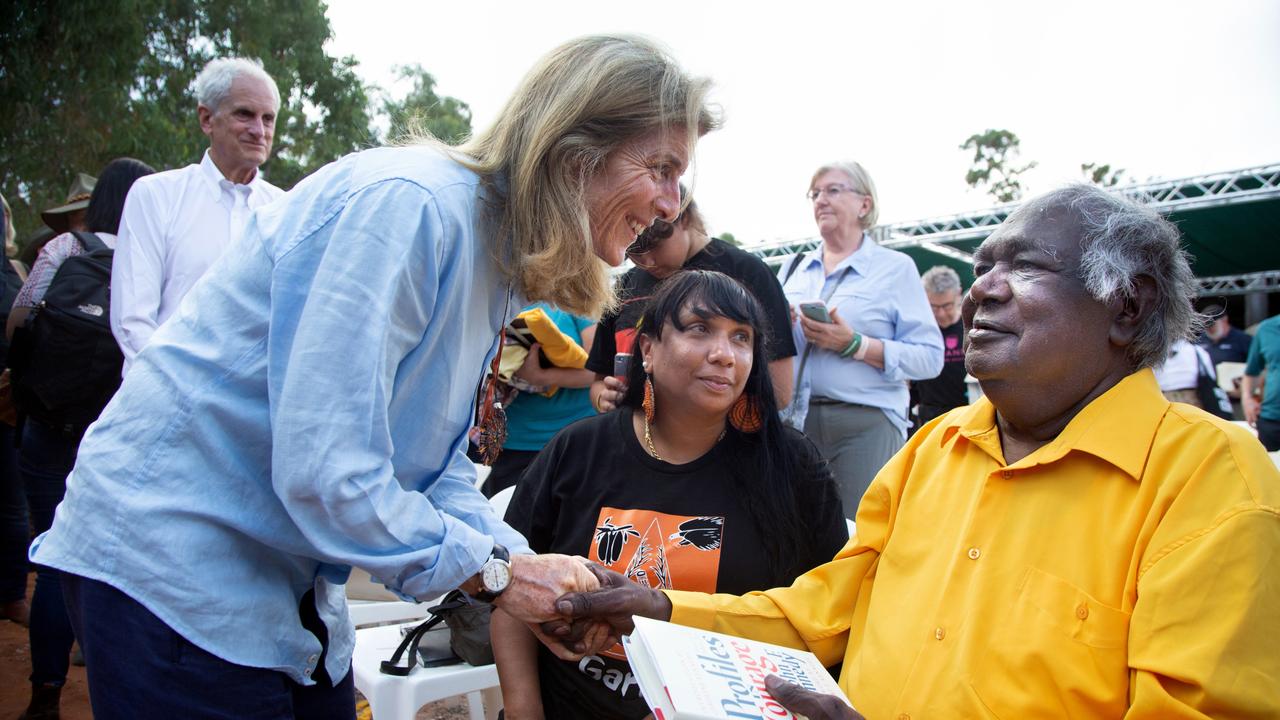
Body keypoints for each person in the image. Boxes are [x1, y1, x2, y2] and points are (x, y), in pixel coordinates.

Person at [30, 34, 718, 718]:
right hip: (176, 574)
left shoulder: (493, 257)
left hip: (285, 595)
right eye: (660, 166)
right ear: (575, 150)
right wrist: (503, 576)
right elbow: (329, 472)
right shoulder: (410, 208)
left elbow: (433, 468)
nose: (670, 202)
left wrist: (532, 568)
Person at [552, 185, 1280, 719]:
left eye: (1022, 269)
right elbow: (822, 612)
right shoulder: (935, 448)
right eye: (983, 268)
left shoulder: (1208, 478)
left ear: (1128, 306)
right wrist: (661, 606)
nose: (979, 291)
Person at [493, 270, 846, 719]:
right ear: (647, 349)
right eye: (699, 329)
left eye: (742, 338)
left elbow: (829, 617)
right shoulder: (578, 448)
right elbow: (513, 590)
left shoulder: (792, 468)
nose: (724, 354)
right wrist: (524, 710)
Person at [7, 157, 155, 720]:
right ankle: (110, 683)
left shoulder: (65, 249)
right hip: (120, 433)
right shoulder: (151, 257)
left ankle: (46, 692)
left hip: (49, 426)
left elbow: (19, 321)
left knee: (54, 557)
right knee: (122, 563)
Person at [781, 161, 942, 517]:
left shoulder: (895, 267)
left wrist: (854, 344)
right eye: (816, 193)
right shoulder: (792, 269)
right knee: (794, 538)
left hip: (864, 424)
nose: (821, 200)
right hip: (795, 423)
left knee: (856, 541)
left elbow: (930, 358)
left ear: (864, 205)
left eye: (833, 190)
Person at [110, 57, 285, 375]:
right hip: (161, 397)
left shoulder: (285, 210)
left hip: (247, 414)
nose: (259, 130)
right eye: (244, 114)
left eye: (268, 118)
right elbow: (132, 321)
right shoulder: (156, 195)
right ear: (207, 119)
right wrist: (179, 391)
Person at [588, 186, 796, 413]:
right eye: (633, 252)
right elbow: (599, 380)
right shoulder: (625, 287)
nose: (646, 260)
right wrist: (603, 398)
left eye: (654, 245)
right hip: (635, 438)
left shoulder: (747, 273)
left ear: (683, 217)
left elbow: (779, 392)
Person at [479, 302, 598, 498]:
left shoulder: (578, 298)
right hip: (513, 442)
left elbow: (599, 370)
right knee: (504, 517)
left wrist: (541, 377)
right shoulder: (505, 297)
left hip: (573, 440)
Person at [911, 265, 968, 429]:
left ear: (958, 294)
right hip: (930, 416)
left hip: (968, 411)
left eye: (947, 306)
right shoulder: (917, 330)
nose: (940, 314)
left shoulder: (972, 327)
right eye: (933, 307)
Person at [1243, 314, 1280, 451]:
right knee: (1269, 471)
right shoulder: (1266, 329)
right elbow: (1252, 371)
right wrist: (1247, 399)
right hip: (1272, 418)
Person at [1151, 338, 1214, 408]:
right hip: (1163, 401)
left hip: (1193, 402)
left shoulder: (1197, 351)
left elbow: (1210, 381)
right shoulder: (1152, 354)